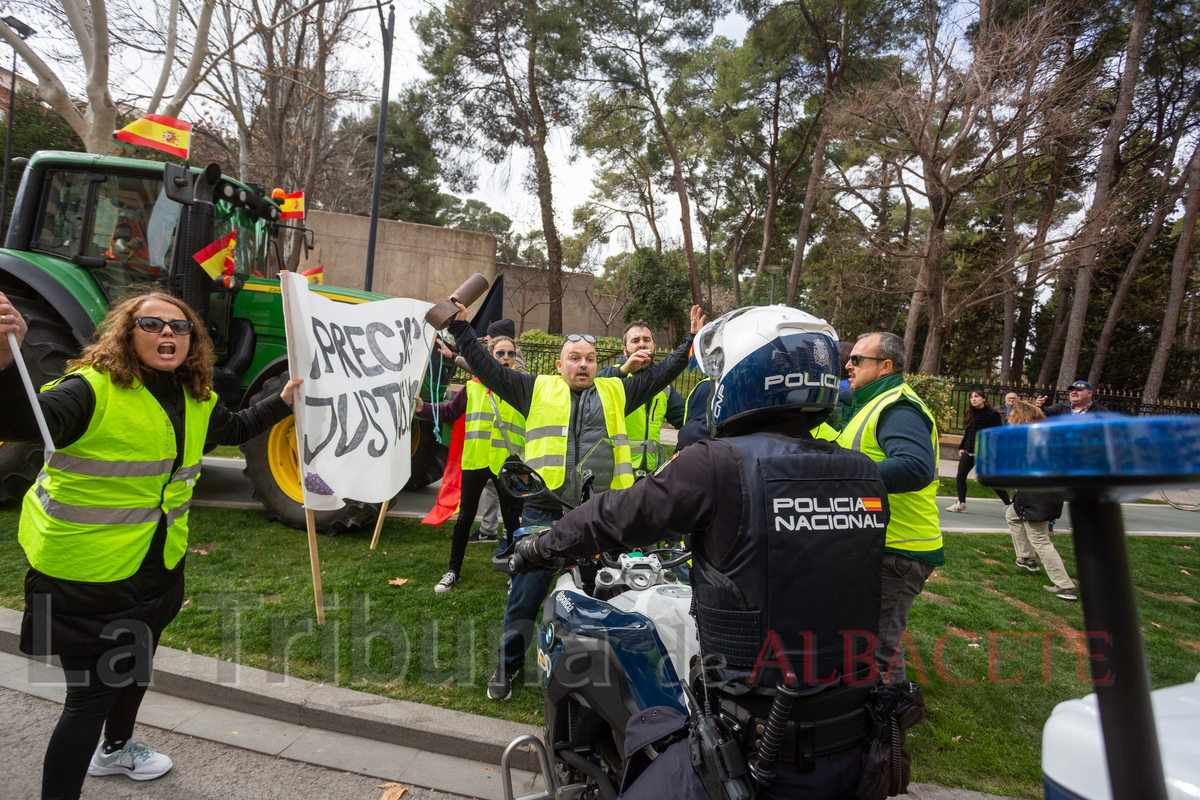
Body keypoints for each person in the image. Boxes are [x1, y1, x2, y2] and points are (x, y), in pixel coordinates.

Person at [513, 306, 890, 799]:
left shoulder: (717, 464)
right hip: (858, 741)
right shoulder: (864, 474)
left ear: (744, 374)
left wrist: (540, 545)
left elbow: (614, 516)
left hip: (751, 744)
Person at [0, 289, 299, 800]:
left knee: (136, 668)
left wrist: (284, 401)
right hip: (83, 574)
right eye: (153, 324)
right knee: (88, 700)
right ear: (126, 334)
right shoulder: (90, 388)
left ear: (192, 341)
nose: (167, 333)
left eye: (179, 327)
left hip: (154, 567)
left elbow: (233, 427)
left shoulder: (195, 397)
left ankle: (115, 751)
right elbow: (27, 422)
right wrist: (8, 362)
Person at [446, 301, 704, 701]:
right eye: (574, 359)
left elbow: (666, 370)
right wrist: (463, 329)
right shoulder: (533, 389)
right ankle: (506, 666)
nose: (582, 365)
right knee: (525, 595)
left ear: (598, 363)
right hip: (544, 512)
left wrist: (689, 340)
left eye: (589, 359)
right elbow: (487, 368)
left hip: (604, 513)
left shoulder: (618, 389)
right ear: (559, 364)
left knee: (621, 593)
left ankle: (621, 671)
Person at [837, 332, 941, 685]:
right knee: (868, 641)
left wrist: (837, 475)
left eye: (857, 360)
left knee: (880, 649)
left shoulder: (898, 406)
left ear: (885, 366)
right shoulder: (871, 402)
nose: (848, 365)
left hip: (899, 548)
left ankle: (890, 729)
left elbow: (914, 466)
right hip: (882, 544)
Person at [415, 335, 526, 592]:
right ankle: (453, 571)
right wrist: (421, 407)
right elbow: (448, 413)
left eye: (510, 354)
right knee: (465, 519)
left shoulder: (521, 387)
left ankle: (515, 573)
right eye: (500, 354)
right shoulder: (473, 387)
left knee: (511, 521)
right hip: (475, 462)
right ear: (489, 357)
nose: (506, 358)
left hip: (507, 465)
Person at [1003, 401, 1077, 600]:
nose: (1008, 419)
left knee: (1041, 539)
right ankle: (1027, 558)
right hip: (1046, 491)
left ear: (1019, 416)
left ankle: (1065, 585)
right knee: (1012, 515)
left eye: (1010, 415)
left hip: (1035, 494)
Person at [597, 320, 686, 474]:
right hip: (614, 474)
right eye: (635, 340)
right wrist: (624, 370)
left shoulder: (664, 387)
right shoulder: (613, 377)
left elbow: (686, 419)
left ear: (654, 349)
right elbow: (593, 386)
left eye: (646, 340)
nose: (642, 344)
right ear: (625, 351)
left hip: (649, 475)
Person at [946, 390, 1010, 512]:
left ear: (984, 399)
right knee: (960, 476)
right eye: (971, 397)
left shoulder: (992, 414)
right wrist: (962, 447)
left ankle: (1009, 505)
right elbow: (968, 432)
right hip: (969, 451)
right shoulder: (970, 413)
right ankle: (961, 504)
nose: (973, 399)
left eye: (977, 396)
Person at [1036, 381, 1111, 416]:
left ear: (1090, 393)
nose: (1074, 392)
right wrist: (1040, 407)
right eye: (1072, 390)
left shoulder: (1101, 412)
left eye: (1079, 390)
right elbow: (1045, 414)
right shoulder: (1061, 408)